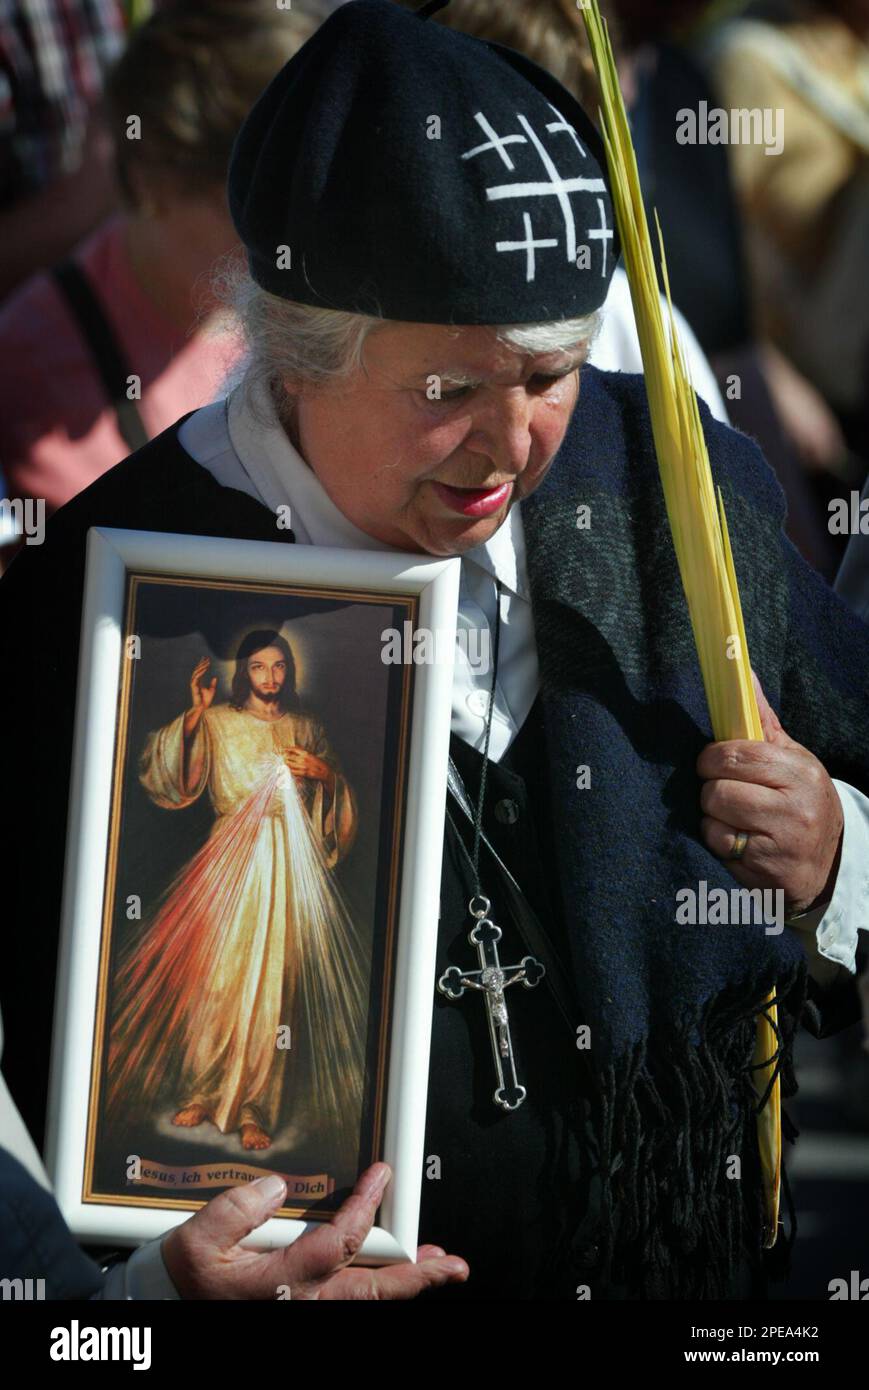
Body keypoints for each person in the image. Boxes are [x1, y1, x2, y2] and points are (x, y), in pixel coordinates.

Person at [2, 0, 868, 1302]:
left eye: (551, 373)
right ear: (299, 351)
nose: (512, 444)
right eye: (448, 391)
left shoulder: (669, 485)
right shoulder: (108, 591)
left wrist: (839, 856)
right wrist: (136, 1303)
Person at [106, 630, 365, 1158]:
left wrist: (326, 775)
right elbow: (170, 780)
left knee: (273, 989)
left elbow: (337, 807)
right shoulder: (221, 722)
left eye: (278, 667)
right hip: (227, 858)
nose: (269, 678)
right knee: (214, 980)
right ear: (242, 672)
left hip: (287, 865)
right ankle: (204, 1090)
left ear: (288, 671)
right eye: (257, 667)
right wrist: (197, 714)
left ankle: (254, 1108)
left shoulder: (306, 728)